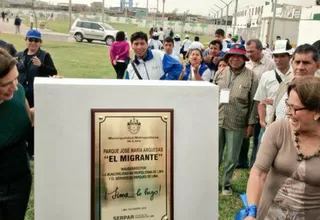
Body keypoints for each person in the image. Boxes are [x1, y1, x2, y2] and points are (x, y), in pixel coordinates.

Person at [244, 76, 320, 220]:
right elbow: (259, 173)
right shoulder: (279, 130)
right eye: (288, 104)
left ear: (316, 111)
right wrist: (251, 212)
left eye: (295, 108)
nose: (288, 112)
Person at [214, 44, 258, 196]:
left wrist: (250, 124)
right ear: (227, 58)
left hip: (237, 122)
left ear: (244, 58)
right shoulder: (220, 73)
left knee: (232, 157)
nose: (234, 59)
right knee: (214, 154)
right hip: (217, 120)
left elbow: (254, 103)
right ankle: (211, 182)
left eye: (238, 56)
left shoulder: (252, 77)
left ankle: (226, 185)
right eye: (231, 56)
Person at [0, 48, 34, 220]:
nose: (14, 86)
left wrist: (57, 92)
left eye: (16, 78)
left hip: (19, 181)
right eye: (6, 83)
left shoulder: (18, 92)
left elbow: (28, 117)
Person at [251, 40, 293, 167]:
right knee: (263, 156)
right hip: (270, 122)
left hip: (289, 122)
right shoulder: (267, 76)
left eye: (282, 56)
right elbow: (260, 101)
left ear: (290, 57)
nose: (278, 59)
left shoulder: (295, 75)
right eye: (276, 56)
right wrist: (262, 121)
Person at [16, 29, 57, 158]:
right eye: (30, 40)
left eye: (36, 41)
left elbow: (54, 73)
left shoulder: (44, 56)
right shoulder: (19, 56)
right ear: (26, 41)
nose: (33, 43)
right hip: (21, 94)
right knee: (22, 120)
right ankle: (23, 147)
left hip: (36, 94)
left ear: (40, 43)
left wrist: (41, 66)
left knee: (35, 122)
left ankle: (33, 150)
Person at [237, 39, 276, 169]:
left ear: (260, 50)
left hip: (261, 105)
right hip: (245, 105)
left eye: (252, 51)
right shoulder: (246, 64)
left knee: (258, 138)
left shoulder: (270, 65)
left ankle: (255, 164)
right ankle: (242, 162)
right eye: (247, 51)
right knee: (244, 135)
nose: (249, 54)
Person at [271, 44, 320, 123]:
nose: (300, 67)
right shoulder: (285, 84)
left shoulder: (318, 92)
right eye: (297, 62)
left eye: (306, 63)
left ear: (317, 65)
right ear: (292, 63)